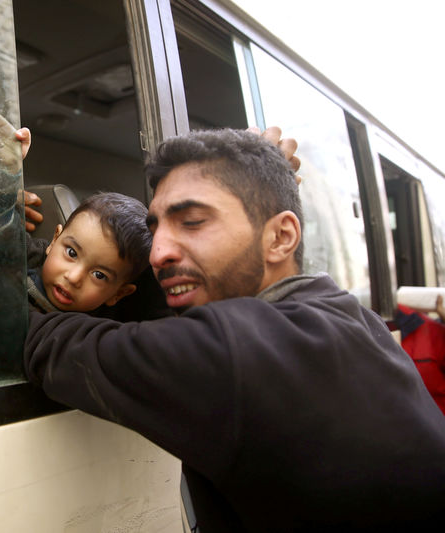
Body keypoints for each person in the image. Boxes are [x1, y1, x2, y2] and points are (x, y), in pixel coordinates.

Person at [24, 128, 445, 531]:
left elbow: (45, 341)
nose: (159, 254)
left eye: (192, 222)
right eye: (155, 231)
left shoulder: (230, 353)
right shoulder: (347, 314)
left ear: (281, 237)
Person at [26, 192, 151, 314]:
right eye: (72, 253)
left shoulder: (90, 331)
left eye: (99, 275)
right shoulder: (25, 254)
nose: (74, 278)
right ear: (54, 241)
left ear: (118, 294)